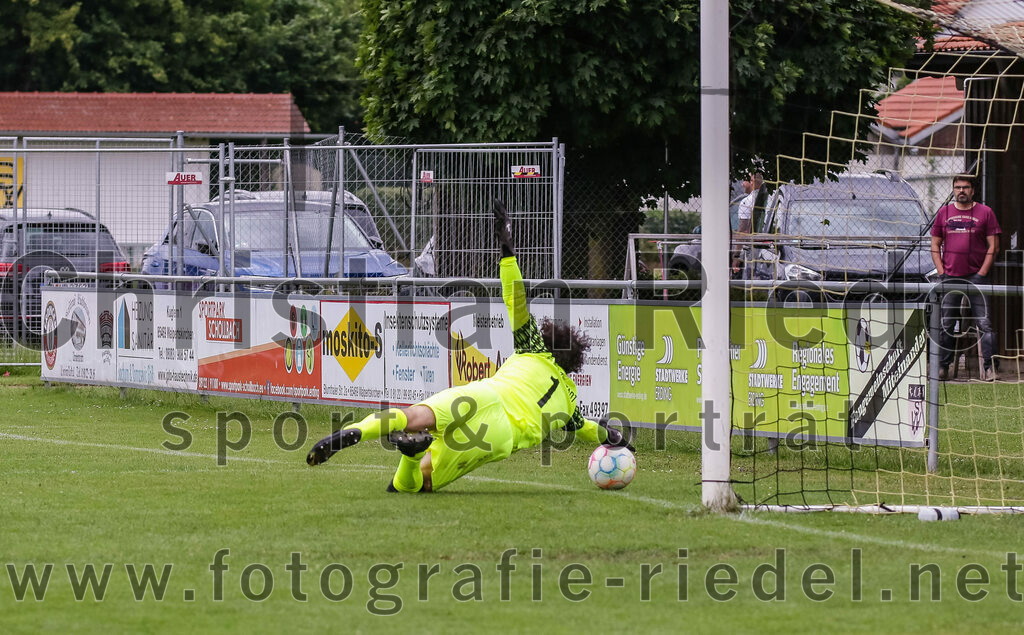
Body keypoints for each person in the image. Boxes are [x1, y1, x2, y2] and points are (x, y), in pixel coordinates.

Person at [306, 200, 630, 491]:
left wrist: (507, 250)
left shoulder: (534, 349)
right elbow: (588, 429)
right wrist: (612, 437)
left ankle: (357, 431)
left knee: (414, 415)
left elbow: (515, 298)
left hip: (482, 394)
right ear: (573, 364)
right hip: (498, 433)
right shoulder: (569, 404)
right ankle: (411, 455)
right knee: (417, 483)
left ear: (549, 341)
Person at [931, 175, 1001, 382]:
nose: (961, 191)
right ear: (953, 190)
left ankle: (990, 368)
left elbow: (994, 247)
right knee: (946, 324)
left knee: (985, 324)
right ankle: (943, 367)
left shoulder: (985, 213)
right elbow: (935, 245)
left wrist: (981, 274)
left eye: (965, 187)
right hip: (950, 277)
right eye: (957, 187)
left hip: (976, 278)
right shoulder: (943, 213)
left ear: (973, 191)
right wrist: (941, 271)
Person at [733, 171, 765, 276]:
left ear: (752, 181)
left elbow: (742, 231)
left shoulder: (746, 202)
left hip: (753, 251)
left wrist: (736, 256)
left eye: (745, 180)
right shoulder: (770, 198)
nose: (742, 184)